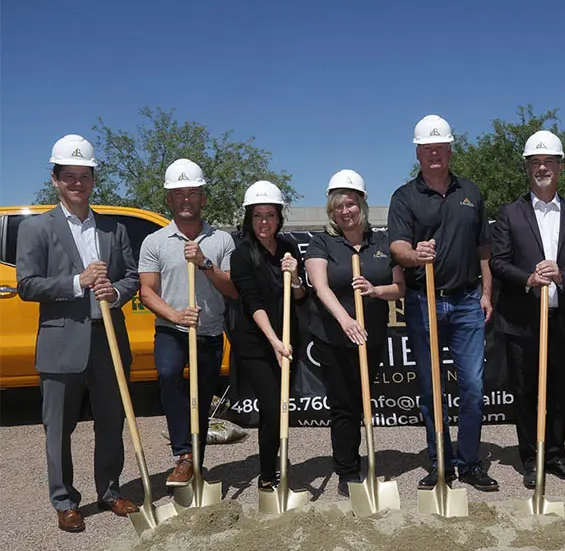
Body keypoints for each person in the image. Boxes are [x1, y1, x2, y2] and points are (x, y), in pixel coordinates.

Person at [16, 134, 140, 532]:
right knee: (59, 426)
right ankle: (65, 500)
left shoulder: (113, 230)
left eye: (84, 175)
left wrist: (116, 292)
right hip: (61, 340)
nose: (77, 183)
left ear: (93, 179)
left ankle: (109, 491)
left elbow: (133, 278)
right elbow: (27, 285)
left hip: (107, 336)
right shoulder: (37, 229)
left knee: (110, 419)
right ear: (55, 180)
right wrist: (77, 281)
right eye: (68, 176)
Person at [388, 115, 498, 492]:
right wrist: (414, 254)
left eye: (440, 148)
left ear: (450, 150)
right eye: (427, 149)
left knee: (472, 386)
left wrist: (486, 293)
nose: (434, 154)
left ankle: (468, 463)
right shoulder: (404, 197)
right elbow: (397, 247)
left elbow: (484, 248)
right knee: (432, 389)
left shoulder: (471, 192)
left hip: (467, 300)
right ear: (418, 153)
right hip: (424, 302)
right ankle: (440, 464)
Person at [490, 130, 565, 487]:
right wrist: (528, 278)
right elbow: (499, 262)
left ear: (560, 167)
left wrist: (563, 275)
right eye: (535, 162)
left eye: (548, 161)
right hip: (522, 322)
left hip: (564, 320)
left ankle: (555, 455)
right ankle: (530, 459)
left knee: (561, 390)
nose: (542, 168)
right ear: (527, 168)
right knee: (525, 392)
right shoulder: (509, 214)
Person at [305, 170, 405, 496]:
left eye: (350, 204)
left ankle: (365, 463)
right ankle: (347, 472)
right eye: (338, 207)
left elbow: (399, 288)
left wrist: (376, 291)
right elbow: (320, 286)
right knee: (343, 405)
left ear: (361, 204)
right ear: (331, 211)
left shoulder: (383, 242)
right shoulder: (323, 242)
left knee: (363, 402)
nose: (344, 211)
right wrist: (345, 320)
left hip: (370, 336)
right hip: (334, 338)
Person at [138, 158, 237, 487]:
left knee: (203, 395)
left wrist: (205, 262)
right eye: (178, 193)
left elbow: (232, 288)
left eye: (192, 193)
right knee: (168, 374)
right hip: (171, 329)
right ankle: (183, 454)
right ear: (169, 199)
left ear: (203, 198)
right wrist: (176, 316)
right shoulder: (154, 242)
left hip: (209, 332)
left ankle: (196, 463)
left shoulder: (222, 240)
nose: (185, 199)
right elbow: (147, 293)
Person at [229, 181, 306, 489]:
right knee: (272, 407)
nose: (264, 222)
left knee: (280, 408)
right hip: (257, 344)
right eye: (258, 215)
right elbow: (251, 302)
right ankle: (267, 476)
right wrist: (273, 341)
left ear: (279, 218)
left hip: (286, 339)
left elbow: (299, 297)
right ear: (249, 218)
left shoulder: (289, 248)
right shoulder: (242, 255)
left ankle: (275, 469)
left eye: (270, 215)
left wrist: (296, 276)